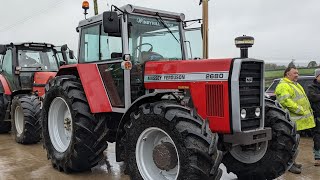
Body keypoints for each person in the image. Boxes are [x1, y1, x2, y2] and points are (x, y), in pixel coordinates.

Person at [275, 66, 316, 174]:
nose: (297, 75)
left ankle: (292, 162)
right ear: (287, 74)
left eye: (298, 73)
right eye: (295, 73)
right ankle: (288, 165)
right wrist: (300, 110)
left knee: (295, 143)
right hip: (290, 121)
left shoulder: (294, 85)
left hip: (297, 122)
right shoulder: (283, 86)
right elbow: (285, 101)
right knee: (289, 144)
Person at [307, 68, 320, 166]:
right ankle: (317, 157)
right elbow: (313, 97)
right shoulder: (311, 87)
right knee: (317, 137)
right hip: (317, 116)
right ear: (317, 76)